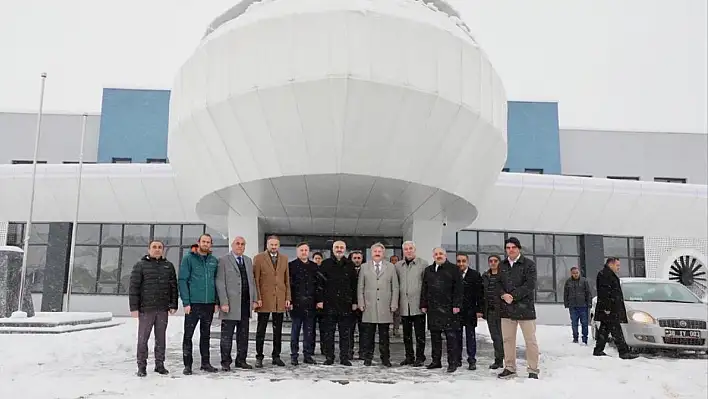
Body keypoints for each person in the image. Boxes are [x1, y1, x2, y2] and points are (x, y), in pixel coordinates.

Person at [129, 240, 178, 377]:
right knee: (143, 338)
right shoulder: (140, 266)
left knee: (161, 338)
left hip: (162, 309)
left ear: (163, 250)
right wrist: (134, 308)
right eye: (154, 247)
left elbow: (173, 287)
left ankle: (159, 364)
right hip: (146, 309)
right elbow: (134, 288)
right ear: (149, 249)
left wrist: (173, 304)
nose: (157, 249)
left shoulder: (168, 266)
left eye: (160, 247)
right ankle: (142, 366)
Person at [498, 237, 540, 380]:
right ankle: (509, 367)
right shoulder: (502, 265)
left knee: (530, 341)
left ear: (519, 249)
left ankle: (533, 369)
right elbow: (497, 283)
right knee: (508, 340)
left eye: (513, 247)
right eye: (508, 247)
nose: (510, 250)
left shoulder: (528, 264)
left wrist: (513, 296)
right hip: (506, 309)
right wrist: (503, 295)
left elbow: (530, 285)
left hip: (525, 309)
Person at [179, 234, 219, 375]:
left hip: (208, 304)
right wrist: (186, 302)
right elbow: (182, 280)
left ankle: (205, 363)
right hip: (193, 303)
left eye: (208, 242)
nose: (206, 244)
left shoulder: (214, 261)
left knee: (205, 335)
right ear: (199, 242)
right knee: (188, 335)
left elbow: (216, 282)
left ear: (211, 245)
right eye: (203, 241)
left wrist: (216, 302)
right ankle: (187, 365)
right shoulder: (189, 259)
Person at [215, 236, 257, 371]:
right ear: (232, 245)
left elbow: (252, 281)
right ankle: (225, 362)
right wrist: (223, 302)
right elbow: (220, 282)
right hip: (230, 305)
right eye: (237, 244)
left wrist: (254, 299)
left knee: (243, 335)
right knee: (227, 335)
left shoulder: (248, 261)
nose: (240, 246)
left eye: (242, 244)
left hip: (244, 304)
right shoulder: (223, 260)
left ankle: (241, 360)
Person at [421, 247, 463, 373]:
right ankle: (436, 361)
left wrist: (457, 304)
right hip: (433, 309)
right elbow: (425, 288)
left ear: (445, 255)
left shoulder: (454, 269)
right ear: (433, 256)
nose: (438, 256)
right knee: (435, 336)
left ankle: (452, 362)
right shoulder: (428, 270)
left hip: (449, 308)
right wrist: (424, 304)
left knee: (451, 337)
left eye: (441, 254)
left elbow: (459, 289)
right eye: (436, 254)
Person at [253, 235, 291, 368]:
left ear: (278, 245)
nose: (273, 247)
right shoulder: (258, 258)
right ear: (267, 245)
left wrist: (288, 298)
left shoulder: (284, 259)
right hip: (264, 299)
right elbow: (256, 280)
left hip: (279, 299)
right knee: (261, 330)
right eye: (271, 244)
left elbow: (287, 280)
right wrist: (257, 298)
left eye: (276, 245)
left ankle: (276, 356)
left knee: (278, 330)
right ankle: (259, 356)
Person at [358, 243, 399, 367]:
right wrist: (361, 302)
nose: (377, 253)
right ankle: (368, 358)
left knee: (384, 336)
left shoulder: (391, 267)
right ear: (371, 253)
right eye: (375, 251)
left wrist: (394, 303)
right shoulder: (364, 267)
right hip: (369, 305)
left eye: (379, 251)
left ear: (383, 253)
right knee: (368, 335)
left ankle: (385, 358)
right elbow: (360, 286)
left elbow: (395, 287)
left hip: (385, 306)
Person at [318, 240, 358, 366]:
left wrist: (355, 302)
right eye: (337, 247)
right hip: (329, 304)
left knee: (345, 334)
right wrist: (320, 300)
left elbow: (354, 285)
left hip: (345, 305)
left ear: (345, 249)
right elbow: (319, 284)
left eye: (341, 247)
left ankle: (344, 357)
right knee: (328, 333)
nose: (339, 249)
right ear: (333, 249)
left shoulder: (350, 265)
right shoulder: (325, 264)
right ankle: (329, 357)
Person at [593, 257, 638, 359]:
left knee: (605, 330)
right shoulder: (604, 275)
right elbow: (604, 292)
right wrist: (607, 307)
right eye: (617, 265)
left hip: (612, 308)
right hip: (610, 309)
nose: (618, 267)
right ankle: (623, 352)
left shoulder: (608, 274)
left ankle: (598, 350)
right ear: (610, 264)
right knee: (616, 331)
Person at [395, 241, 428, 367]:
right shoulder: (398, 266)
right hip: (404, 305)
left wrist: (425, 303)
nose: (408, 251)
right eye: (406, 249)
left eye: (411, 249)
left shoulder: (423, 264)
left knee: (420, 334)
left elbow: (426, 285)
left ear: (415, 250)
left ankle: (420, 357)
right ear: (403, 251)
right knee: (406, 335)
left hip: (418, 305)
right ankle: (409, 356)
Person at [288, 242, 321, 365]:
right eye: (301, 250)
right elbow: (289, 285)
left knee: (309, 332)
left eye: (306, 250)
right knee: (295, 331)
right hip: (296, 304)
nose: (304, 252)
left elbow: (318, 285)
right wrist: (289, 301)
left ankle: (307, 355)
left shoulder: (314, 266)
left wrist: (319, 300)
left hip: (310, 304)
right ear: (297, 252)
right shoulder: (291, 266)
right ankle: (294, 355)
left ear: (309, 252)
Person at [455, 254, 484, 370]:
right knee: (457, 337)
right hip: (456, 311)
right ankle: (457, 359)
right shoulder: (454, 274)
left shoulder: (475, 275)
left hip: (470, 311)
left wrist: (480, 309)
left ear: (468, 262)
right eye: (459, 261)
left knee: (470, 336)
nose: (461, 263)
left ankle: (472, 359)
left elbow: (480, 294)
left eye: (463, 261)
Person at [482, 255, 504, 369]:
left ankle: (508, 361)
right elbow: (481, 295)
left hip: (502, 312)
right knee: (495, 337)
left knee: (504, 337)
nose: (493, 263)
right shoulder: (485, 276)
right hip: (490, 311)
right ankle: (498, 360)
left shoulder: (504, 276)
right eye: (491, 261)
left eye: (495, 261)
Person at [563, 266, 592, 344]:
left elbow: (588, 293)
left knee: (584, 323)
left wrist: (589, 303)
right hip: (573, 306)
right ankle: (575, 338)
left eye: (577, 273)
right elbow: (565, 294)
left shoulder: (584, 281)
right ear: (571, 274)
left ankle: (584, 339)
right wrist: (566, 303)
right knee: (574, 323)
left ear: (579, 273)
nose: (575, 274)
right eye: (574, 273)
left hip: (583, 306)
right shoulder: (568, 282)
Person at [348, 250, 364, 360]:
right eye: (355, 258)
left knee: (364, 331)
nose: (357, 260)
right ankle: (349, 351)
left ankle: (363, 352)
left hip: (363, 305)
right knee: (349, 331)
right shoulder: (347, 270)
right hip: (350, 305)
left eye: (359, 258)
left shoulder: (366, 270)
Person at [311, 251, 325, 354]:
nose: (317, 260)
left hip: (323, 304)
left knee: (323, 329)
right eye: (316, 258)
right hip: (311, 303)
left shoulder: (324, 271)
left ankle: (324, 348)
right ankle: (311, 348)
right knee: (311, 329)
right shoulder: (310, 270)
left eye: (319, 258)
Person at [390, 255, 402, 337]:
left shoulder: (400, 271)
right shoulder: (388, 270)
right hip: (388, 294)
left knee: (397, 313)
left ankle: (396, 329)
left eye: (396, 260)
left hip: (398, 294)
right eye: (392, 260)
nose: (394, 262)